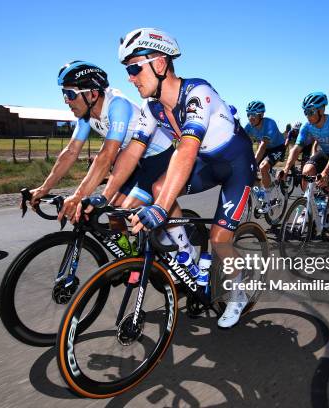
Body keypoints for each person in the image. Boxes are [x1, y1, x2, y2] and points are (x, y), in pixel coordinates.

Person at [118, 27, 257, 328]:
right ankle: (188, 261)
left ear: (159, 63)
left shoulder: (197, 94)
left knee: (220, 239)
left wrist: (159, 208)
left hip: (236, 164)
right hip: (207, 163)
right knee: (158, 187)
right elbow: (131, 153)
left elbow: (187, 150)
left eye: (133, 68)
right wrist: (105, 195)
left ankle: (239, 292)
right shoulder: (151, 108)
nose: (129, 78)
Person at [30, 61, 174, 226]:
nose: (66, 101)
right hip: (132, 159)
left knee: (128, 207)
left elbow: (107, 156)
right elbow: (71, 152)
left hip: (159, 156)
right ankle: (132, 251)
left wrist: (78, 196)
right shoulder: (87, 115)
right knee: (113, 210)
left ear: (93, 94)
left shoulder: (117, 105)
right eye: (64, 94)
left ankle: (180, 247)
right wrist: (44, 188)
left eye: (70, 94)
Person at [278, 92, 329, 238]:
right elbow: (296, 148)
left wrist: (325, 173)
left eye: (310, 111)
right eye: (305, 112)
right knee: (306, 171)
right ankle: (309, 205)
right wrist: (286, 169)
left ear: (321, 109)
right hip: (324, 153)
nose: (307, 115)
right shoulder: (307, 126)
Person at [243, 100, 286, 213]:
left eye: (253, 115)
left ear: (261, 115)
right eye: (248, 114)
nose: (250, 118)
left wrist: (253, 162)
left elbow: (262, 146)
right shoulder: (249, 126)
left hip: (277, 148)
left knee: (262, 166)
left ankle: (267, 202)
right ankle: (262, 190)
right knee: (251, 170)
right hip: (265, 150)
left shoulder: (269, 124)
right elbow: (241, 140)